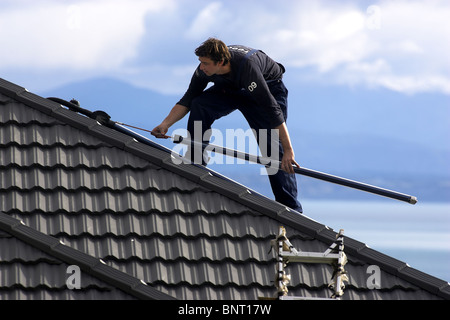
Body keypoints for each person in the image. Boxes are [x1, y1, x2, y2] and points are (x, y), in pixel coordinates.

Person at [152, 38, 302, 213]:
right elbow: (188, 98)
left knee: (272, 148)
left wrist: (289, 150)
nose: (201, 68)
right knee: (200, 104)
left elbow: (272, 110)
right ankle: (195, 160)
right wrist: (165, 124)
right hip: (232, 88)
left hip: (267, 90)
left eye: (205, 64)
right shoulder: (205, 69)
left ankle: (292, 209)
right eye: (200, 63)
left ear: (221, 62)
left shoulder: (248, 69)